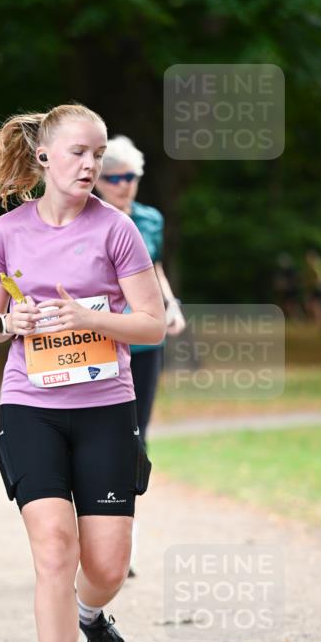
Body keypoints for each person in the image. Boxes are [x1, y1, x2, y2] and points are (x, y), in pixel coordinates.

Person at [0, 104, 166, 642]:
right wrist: (11, 324)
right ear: (46, 157)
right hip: (31, 404)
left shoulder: (117, 230)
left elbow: (152, 323)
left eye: (99, 154)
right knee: (54, 546)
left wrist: (89, 318)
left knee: (106, 565)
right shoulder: (7, 234)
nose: (92, 165)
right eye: (80, 152)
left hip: (107, 406)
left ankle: (91, 614)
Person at [95, 135, 185, 576]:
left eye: (130, 176)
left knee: (135, 437)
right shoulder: (89, 220)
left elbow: (155, 268)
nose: (123, 184)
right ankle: (93, 537)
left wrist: (172, 305)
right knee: (100, 438)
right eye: (113, 177)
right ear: (97, 180)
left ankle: (120, 542)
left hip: (146, 341)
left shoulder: (150, 219)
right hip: (102, 341)